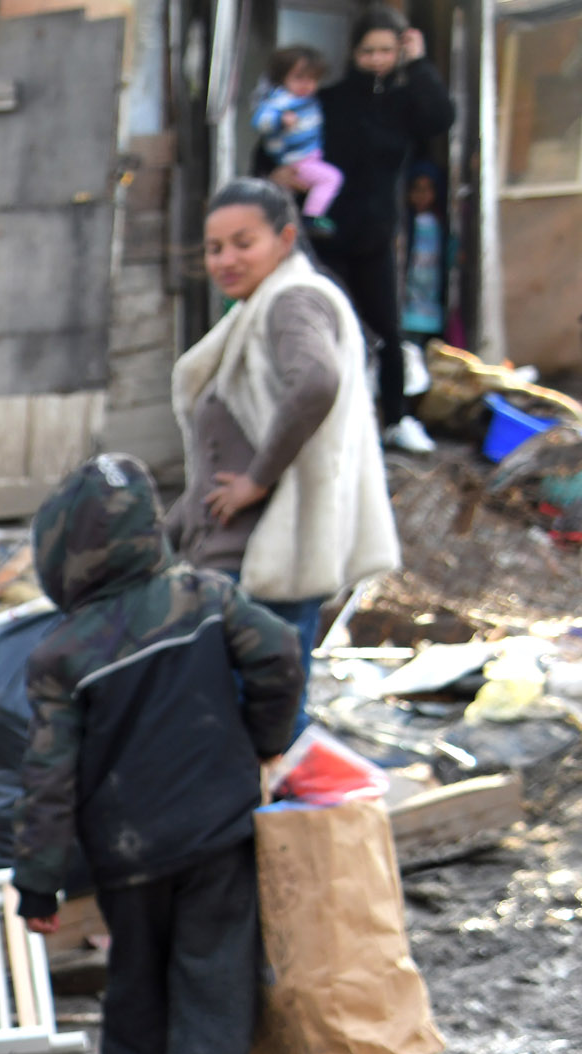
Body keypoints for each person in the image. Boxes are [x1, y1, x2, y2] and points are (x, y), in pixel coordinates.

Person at [13, 455, 304, 1054]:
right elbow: (279, 654)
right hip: (218, 834)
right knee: (215, 989)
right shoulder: (206, 599)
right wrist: (263, 741)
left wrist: (38, 882)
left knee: (135, 979)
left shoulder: (59, 655)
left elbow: (48, 779)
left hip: (127, 856)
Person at [166, 178, 399, 674]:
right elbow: (222, 449)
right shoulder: (257, 309)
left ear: (286, 240)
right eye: (214, 248)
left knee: (262, 721)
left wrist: (258, 478)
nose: (226, 260)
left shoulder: (291, 300)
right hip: (238, 560)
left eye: (243, 243)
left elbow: (315, 382)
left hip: (265, 564)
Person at [309, 6, 453, 448]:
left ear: (399, 50)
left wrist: (421, 63)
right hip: (326, 234)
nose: (377, 59)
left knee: (388, 330)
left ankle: (396, 419)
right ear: (354, 52)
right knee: (331, 331)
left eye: (386, 50)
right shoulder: (330, 99)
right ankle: (330, 423)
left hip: (376, 235)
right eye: (369, 50)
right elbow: (284, 149)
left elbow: (441, 118)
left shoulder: (403, 99)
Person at [253, 47, 344, 232]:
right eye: (298, 77)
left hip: (306, 158)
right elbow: (260, 121)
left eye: (311, 79)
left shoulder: (310, 101)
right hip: (296, 160)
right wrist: (280, 120)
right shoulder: (280, 100)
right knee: (332, 178)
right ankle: (312, 216)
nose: (306, 84)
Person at [400, 161, 450, 342]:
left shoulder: (439, 223)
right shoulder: (404, 223)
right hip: (408, 298)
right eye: (417, 189)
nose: (422, 195)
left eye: (427, 189)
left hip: (429, 297)